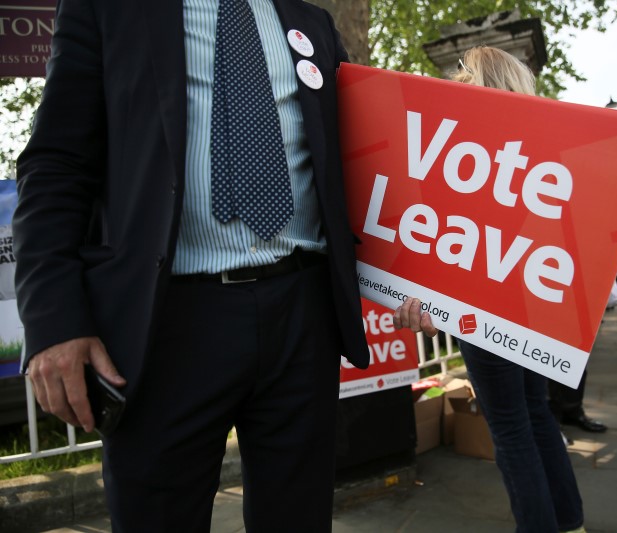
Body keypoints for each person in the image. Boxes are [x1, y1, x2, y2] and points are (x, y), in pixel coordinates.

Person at [12, 1, 433, 530]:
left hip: (304, 317)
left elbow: (362, 159)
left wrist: (424, 280)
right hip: (166, 325)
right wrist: (54, 321)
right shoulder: (107, 9)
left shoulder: (311, 22)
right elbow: (56, 163)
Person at [444, 46, 585, 533]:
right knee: (537, 414)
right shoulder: (545, 140)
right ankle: (570, 524)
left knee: (509, 427)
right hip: (533, 298)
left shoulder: (459, 139)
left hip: (480, 304)